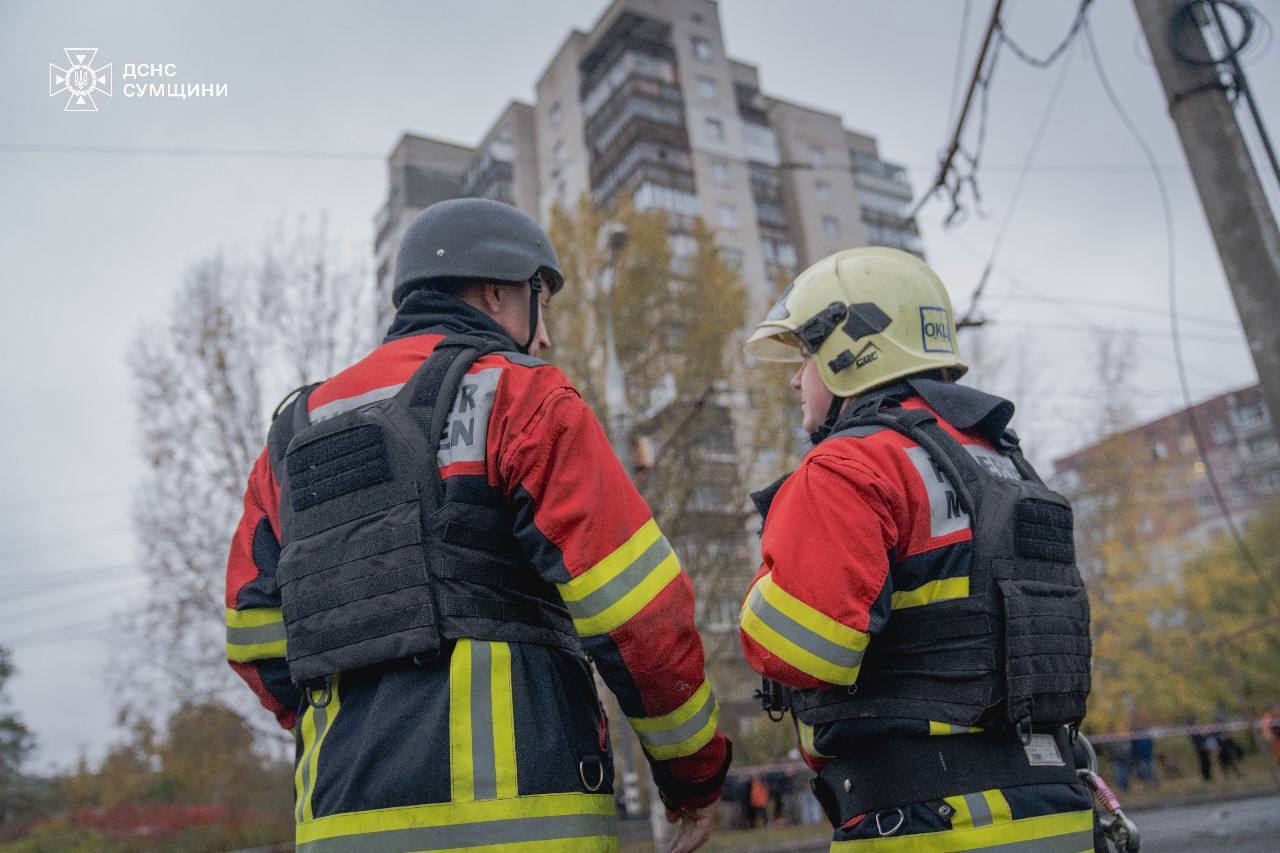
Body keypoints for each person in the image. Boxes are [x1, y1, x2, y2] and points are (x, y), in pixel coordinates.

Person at [224, 198, 731, 852]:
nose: (543, 335)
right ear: (497, 291)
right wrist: (693, 775)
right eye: (539, 301)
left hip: (338, 824)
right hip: (526, 823)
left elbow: (254, 638)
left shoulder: (289, 438)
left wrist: (356, 716)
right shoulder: (523, 397)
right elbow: (640, 614)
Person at [738, 247, 1095, 850]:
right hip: (1056, 809)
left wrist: (757, 592)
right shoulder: (1003, 462)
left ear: (853, 350)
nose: (797, 378)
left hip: (923, 819)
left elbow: (799, 648)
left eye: (806, 356)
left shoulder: (851, 464)